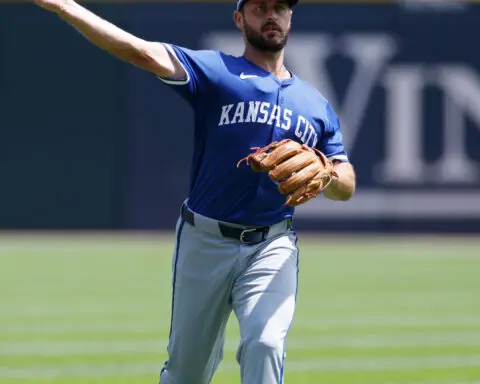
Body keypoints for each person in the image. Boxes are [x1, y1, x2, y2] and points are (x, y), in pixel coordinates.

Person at [32, 0, 356, 382]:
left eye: (280, 7)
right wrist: (67, 7)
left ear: (290, 17)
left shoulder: (315, 104)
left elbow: (346, 182)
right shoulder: (217, 71)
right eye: (259, 8)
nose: (271, 15)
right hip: (205, 241)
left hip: (272, 245)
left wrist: (327, 173)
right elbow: (139, 50)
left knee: (266, 344)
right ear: (239, 19)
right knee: (188, 371)